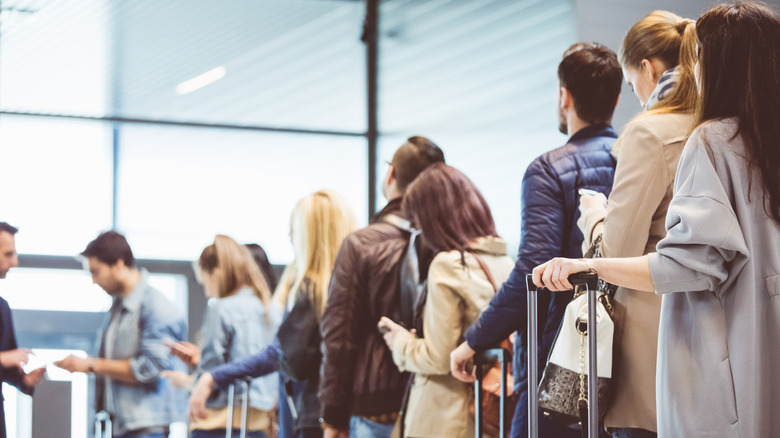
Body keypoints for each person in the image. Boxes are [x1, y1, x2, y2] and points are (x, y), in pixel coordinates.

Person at [532, 2, 780, 436]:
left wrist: (587, 251)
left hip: (709, 355)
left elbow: (684, 262)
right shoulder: (763, 138)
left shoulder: (710, 140)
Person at [449, 42, 622, 438]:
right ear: (615, 98)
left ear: (564, 96)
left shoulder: (548, 170)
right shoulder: (634, 161)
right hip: (626, 351)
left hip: (560, 358)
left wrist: (473, 341)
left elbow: (533, 269)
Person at [575, 11, 698, 438]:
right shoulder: (714, 125)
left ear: (647, 68)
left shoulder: (649, 133)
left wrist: (594, 217)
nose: (636, 95)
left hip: (649, 332)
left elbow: (616, 250)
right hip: (704, 331)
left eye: (632, 84)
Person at [189, 190, 358, 438]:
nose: (290, 236)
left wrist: (213, 376)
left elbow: (279, 355)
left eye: (294, 228)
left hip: (314, 419)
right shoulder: (352, 287)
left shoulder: (311, 292)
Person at [319, 137, 445, 438]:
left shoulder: (361, 245)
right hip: (438, 398)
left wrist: (333, 416)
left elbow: (340, 337)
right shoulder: (450, 244)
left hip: (377, 404)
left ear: (391, 175)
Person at [378, 163, 514, 438]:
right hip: (488, 412)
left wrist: (401, 343)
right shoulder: (503, 260)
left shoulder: (448, 265)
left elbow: (440, 358)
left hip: (446, 417)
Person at [55, 231, 188, 438]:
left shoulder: (156, 306)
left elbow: (149, 369)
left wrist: (90, 365)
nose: (93, 280)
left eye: (96, 271)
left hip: (146, 427)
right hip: (122, 424)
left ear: (118, 264)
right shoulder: (118, 307)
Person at [164, 236, 281, 438]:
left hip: (219, 424)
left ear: (216, 273)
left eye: (204, 282)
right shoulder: (272, 309)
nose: (207, 291)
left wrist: (189, 380)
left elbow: (213, 371)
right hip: (259, 424)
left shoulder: (221, 308)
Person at [0, 222, 46, 438]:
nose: (15, 262)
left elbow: (7, 366)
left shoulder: (3, 307)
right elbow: (5, 358)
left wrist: (24, 381)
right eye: (8, 254)